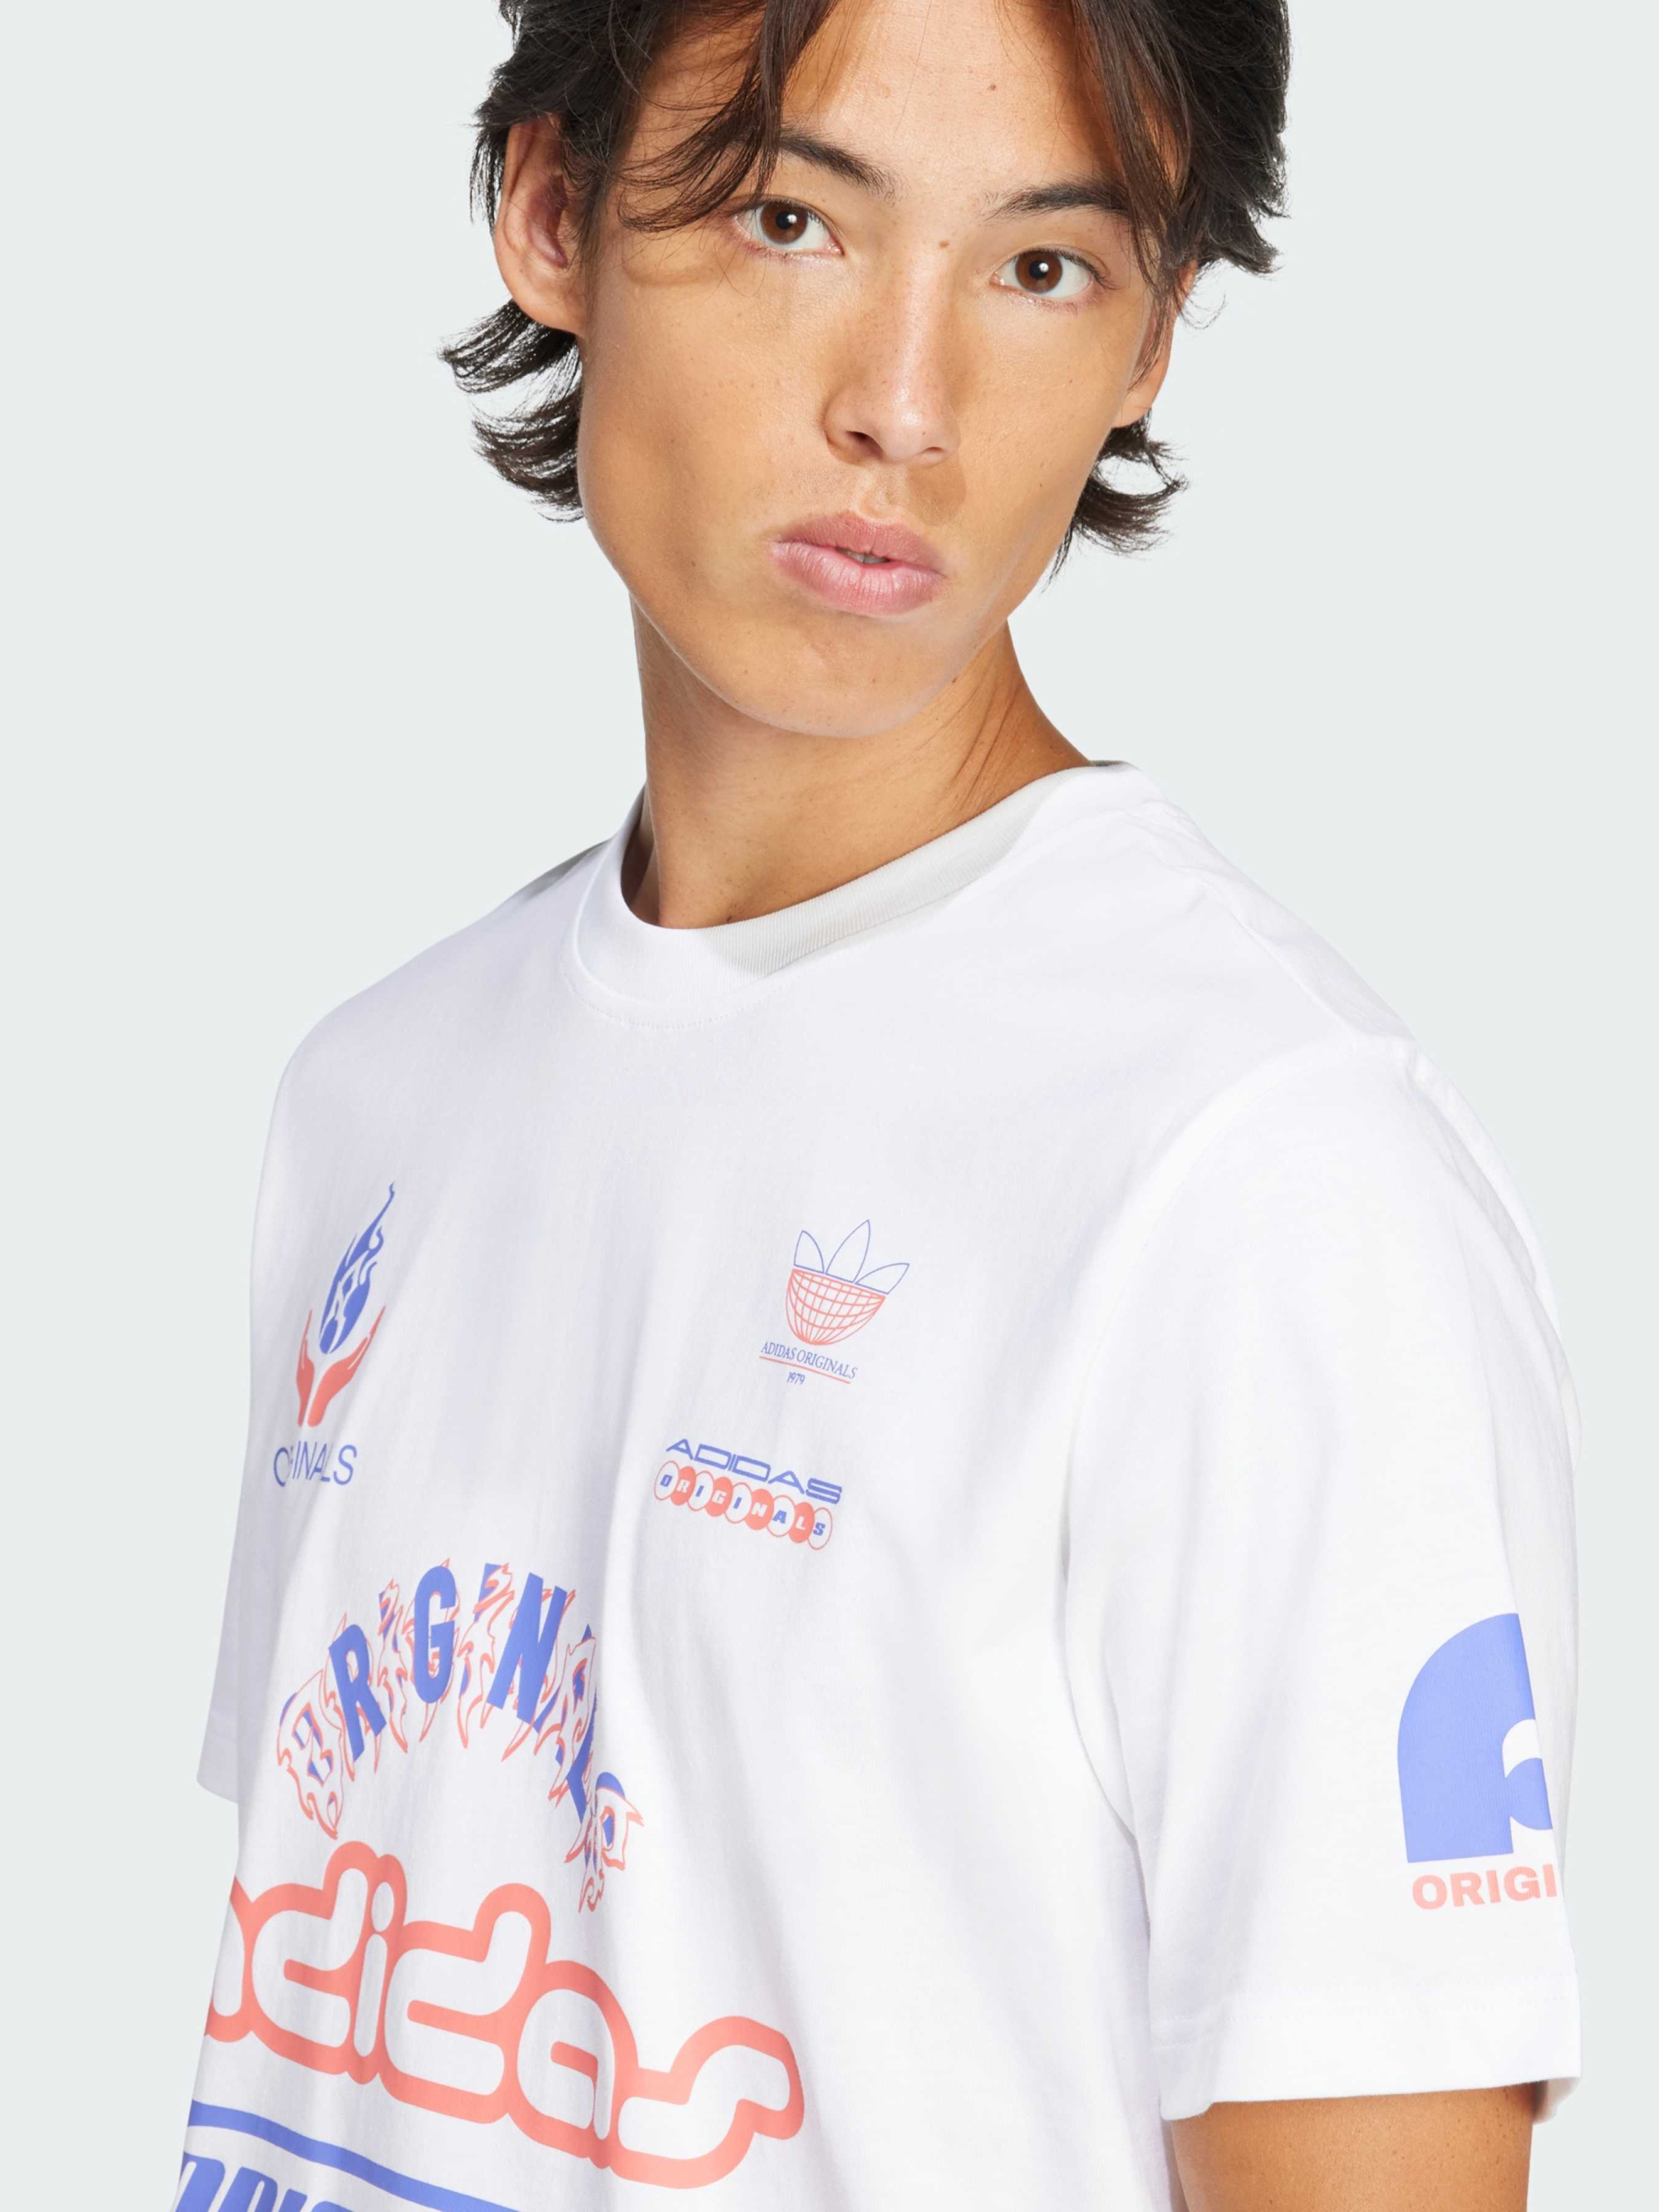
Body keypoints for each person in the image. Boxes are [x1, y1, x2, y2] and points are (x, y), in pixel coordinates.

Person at [173, 2, 1581, 2206]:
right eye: (789, 219)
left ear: (1150, 341)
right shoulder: (377, 1095)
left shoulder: (1262, 1183)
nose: (903, 407)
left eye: (1042, 265)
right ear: (551, 209)